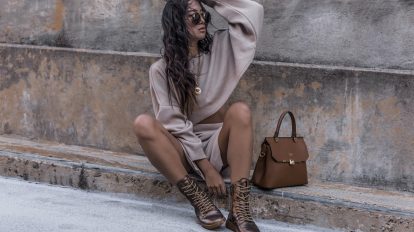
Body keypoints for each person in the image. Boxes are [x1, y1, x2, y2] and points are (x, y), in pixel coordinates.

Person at [133, 0, 263, 231]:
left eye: (204, 15)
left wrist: (211, 1)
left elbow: (253, 13)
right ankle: (199, 200)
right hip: (183, 150)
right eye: (194, 17)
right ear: (177, 23)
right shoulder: (161, 70)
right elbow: (173, 123)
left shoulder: (222, 48)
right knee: (143, 123)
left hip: (217, 144)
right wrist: (206, 169)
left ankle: (239, 209)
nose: (202, 20)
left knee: (240, 110)